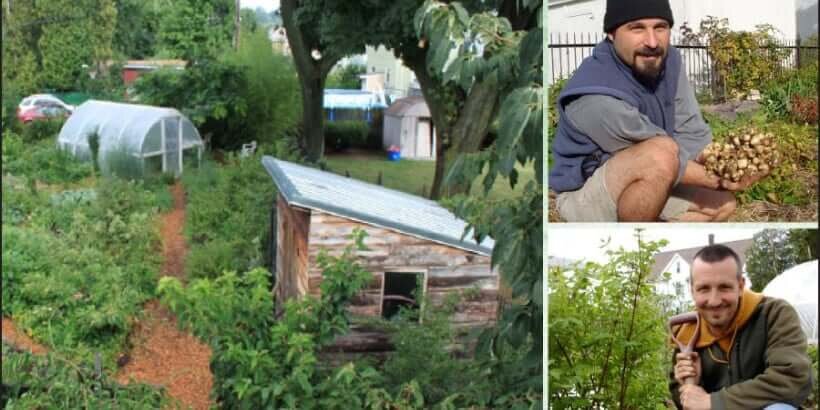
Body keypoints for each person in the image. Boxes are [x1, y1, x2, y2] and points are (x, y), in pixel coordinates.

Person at [548, 0, 770, 222]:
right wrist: (722, 178)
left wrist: (728, 161)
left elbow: (690, 131)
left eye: (660, 27)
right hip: (584, 192)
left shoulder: (668, 61)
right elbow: (659, 158)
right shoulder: (594, 94)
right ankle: (631, 236)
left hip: (648, 174)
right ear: (612, 34)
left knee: (723, 204)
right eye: (637, 28)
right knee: (660, 153)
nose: (652, 42)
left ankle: (651, 237)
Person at [669, 244, 812, 410]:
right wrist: (692, 384)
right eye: (703, 289)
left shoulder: (774, 314)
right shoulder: (687, 331)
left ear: (741, 286)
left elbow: (792, 379)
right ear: (692, 291)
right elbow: (687, 403)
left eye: (724, 287)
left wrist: (715, 402)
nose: (714, 301)